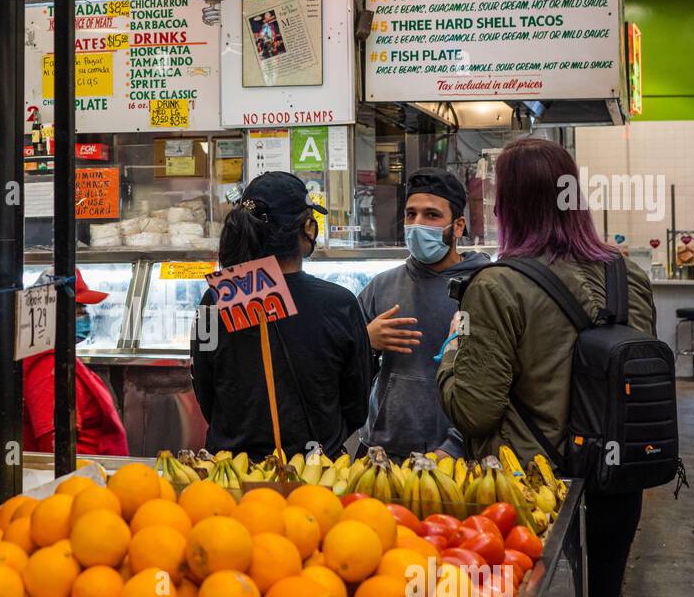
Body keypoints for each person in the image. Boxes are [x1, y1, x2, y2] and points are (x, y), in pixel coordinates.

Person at [436, 137, 657, 597]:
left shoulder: (497, 286)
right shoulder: (628, 274)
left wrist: (451, 354)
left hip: (530, 501)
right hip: (615, 485)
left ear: (506, 205)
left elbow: (473, 406)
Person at [191, 172, 372, 458]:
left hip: (231, 475)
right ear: (307, 229)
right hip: (314, 475)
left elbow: (205, 390)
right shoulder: (340, 304)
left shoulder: (214, 302)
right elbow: (357, 406)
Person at [358, 168, 489, 458]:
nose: (417, 225)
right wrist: (364, 341)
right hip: (381, 451)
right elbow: (344, 371)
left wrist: (454, 446)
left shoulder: (482, 287)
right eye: (410, 214)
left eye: (431, 215)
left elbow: (492, 387)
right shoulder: (382, 286)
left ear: (457, 226)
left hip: (454, 458)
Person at [22, 269, 129, 456]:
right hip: (81, 479)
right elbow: (55, 452)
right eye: (78, 309)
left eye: (84, 310)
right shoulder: (49, 371)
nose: (84, 316)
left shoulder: (59, 359)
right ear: (52, 313)